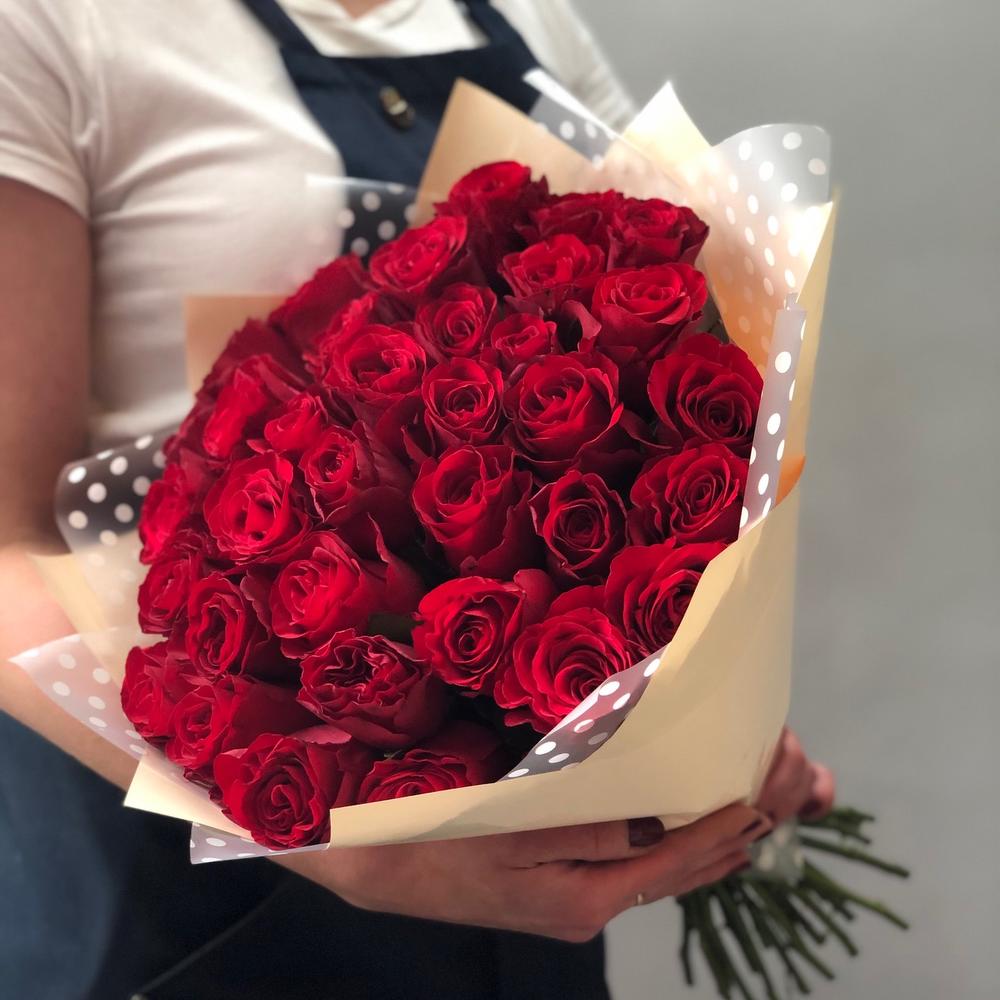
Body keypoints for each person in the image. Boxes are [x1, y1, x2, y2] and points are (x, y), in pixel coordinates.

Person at [0, 1, 836, 997]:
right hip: (197, 883)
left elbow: (694, 296)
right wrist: (330, 841)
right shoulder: (51, 26)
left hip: (525, 882)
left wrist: (709, 732)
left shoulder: (523, 14)